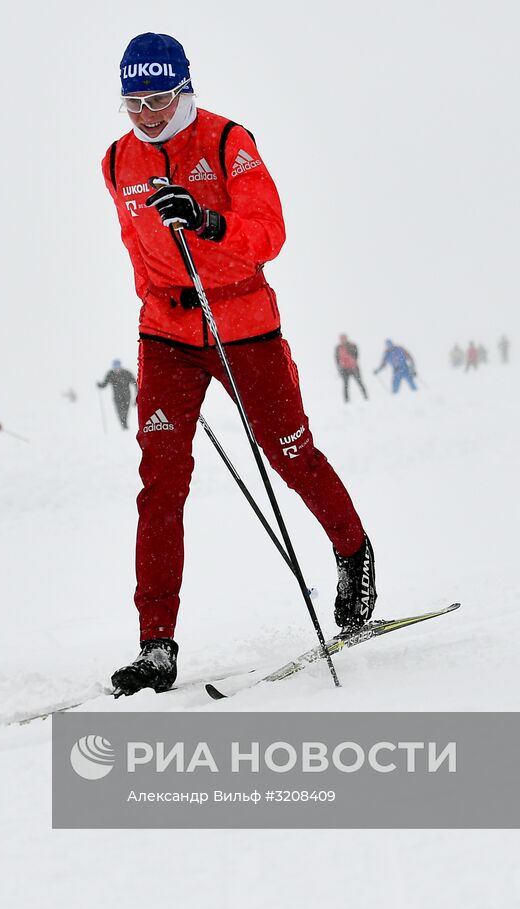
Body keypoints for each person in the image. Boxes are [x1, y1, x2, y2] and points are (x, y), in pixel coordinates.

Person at [101, 33, 374, 695]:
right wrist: (160, 307)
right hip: (166, 335)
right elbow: (137, 252)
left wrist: (208, 220)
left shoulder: (227, 143)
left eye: (160, 98)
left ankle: (352, 550)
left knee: (289, 454)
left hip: (243, 325)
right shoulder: (116, 162)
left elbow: (269, 232)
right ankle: (156, 647)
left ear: (184, 88)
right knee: (161, 485)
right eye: (133, 101)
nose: (147, 113)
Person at [97, 359, 139, 428]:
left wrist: (136, 397)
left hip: (127, 396)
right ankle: (123, 424)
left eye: (118, 366)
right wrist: (100, 385)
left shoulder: (126, 373)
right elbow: (105, 384)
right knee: (120, 411)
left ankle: (124, 422)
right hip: (117, 397)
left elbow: (135, 383)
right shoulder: (110, 374)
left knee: (126, 410)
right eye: (115, 367)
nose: (117, 369)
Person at [334, 335, 367, 403]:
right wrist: (339, 369)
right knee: (345, 385)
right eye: (341, 339)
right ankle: (346, 401)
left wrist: (350, 352)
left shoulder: (352, 345)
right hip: (344, 369)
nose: (343, 340)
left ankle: (366, 397)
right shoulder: (338, 348)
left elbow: (356, 355)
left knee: (360, 383)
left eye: (344, 339)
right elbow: (337, 359)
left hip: (354, 368)